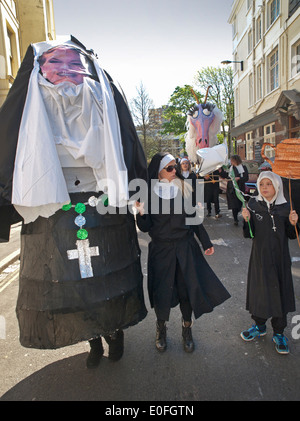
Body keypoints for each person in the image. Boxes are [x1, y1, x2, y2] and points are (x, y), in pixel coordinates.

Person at [0, 37, 148, 368]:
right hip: (53, 200)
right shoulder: (35, 86)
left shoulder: (99, 85)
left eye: (72, 67)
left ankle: (114, 333)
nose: (66, 74)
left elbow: (123, 136)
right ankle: (92, 339)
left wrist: (135, 190)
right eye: (56, 66)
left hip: (100, 198)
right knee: (71, 284)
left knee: (107, 276)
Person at [135, 152, 230, 353]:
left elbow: (193, 219)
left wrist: (205, 242)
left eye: (175, 167)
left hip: (185, 248)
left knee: (187, 291)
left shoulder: (183, 189)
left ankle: (187, 329)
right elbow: (144, 228)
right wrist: (140, 212)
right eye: (169, 168)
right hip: (161, 251)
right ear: (158, 172)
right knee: (162, 292)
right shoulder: (149, 194)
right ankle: (161, 328)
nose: (174, 172)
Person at [240, 171, 299, 355]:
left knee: (280, 293)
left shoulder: (285, 207)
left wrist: (293, 223)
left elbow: (291, 235)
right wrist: (247, 220)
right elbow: (249, 234)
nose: (265, 188)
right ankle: (259, 326)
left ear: (277, 186)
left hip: (280, 259)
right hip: (260, 258)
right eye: (262, 184)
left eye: (269, 184)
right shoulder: (253, 204)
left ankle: (280, 332)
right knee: (260, 292)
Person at [220, 155, 249, 225]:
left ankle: (237, 212)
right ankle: (235, 219)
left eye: (232, 160)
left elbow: (246, 178)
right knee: (233, 205)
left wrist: (239, 178)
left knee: (239, 205)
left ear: (236, 160)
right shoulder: (231, 168)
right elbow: (226, 175)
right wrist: (221, 171)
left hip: (239, 189)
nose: (231, 162)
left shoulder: (243, 168)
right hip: (231, 189)